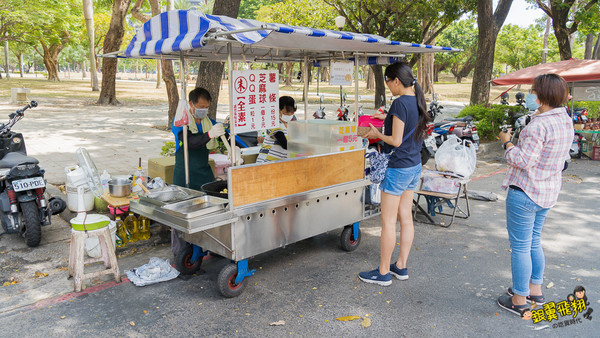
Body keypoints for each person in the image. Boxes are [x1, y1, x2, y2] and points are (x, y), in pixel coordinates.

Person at [496, 74, 573, 318]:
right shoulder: (565, 119)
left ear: (540, 97)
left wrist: (507, 143)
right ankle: (534, 290)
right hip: (547, 192)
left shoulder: (538, 125)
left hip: (526, 192)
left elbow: (522, 160)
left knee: (520, 247)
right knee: (533, 241)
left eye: (533, 91)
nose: (531, 95)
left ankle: (519, 299)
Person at [359, 61, 430, 286]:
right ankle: (401, 266)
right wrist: (386, 119)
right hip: (414, 166)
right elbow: (405, 126)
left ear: (396, 81)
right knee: (406, 219)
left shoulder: (399, 104)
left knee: (388, 222)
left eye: (388, 82)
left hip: (398, 167)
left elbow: (396, 140)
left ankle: (382, 273)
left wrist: (376, 133)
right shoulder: (417, 100)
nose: (388, 86)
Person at [171, 87, 225, 255]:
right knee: (182, 214)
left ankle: (208, 247)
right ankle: (181, 253)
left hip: (203, 173)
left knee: (207, 211)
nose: (203, 110)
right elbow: (190, 142)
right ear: (192, 105)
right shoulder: (182, 121)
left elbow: (228, 136)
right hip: (185, 173)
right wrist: (209, 135)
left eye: (206, 107)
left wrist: (235, 147)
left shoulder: (210, 122)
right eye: (200, 106)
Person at [256, 96, 296, 163]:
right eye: (287, 112)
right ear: (279, 110)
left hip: (279, 161)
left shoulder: (289, 124)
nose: (290, 114)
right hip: (267, 161)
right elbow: (285, 144)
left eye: (292, 112)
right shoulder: (274, 124)